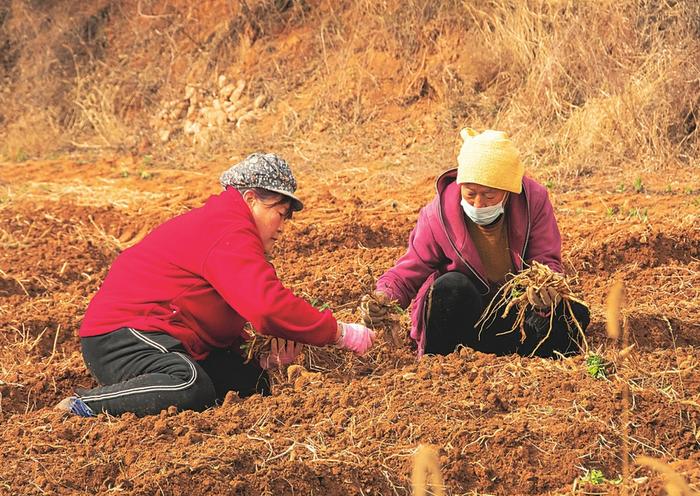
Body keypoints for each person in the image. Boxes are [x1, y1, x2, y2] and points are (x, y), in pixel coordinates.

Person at [57, 153, 374, 417]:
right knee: (188, 384)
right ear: (251, 199)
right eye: (280, 212)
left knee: (251, 384)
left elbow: (225, 315)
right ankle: (84, 407)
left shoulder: (227, 227)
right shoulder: (227, 229)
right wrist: (339, 334)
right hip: (124, 336)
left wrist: (264, 361)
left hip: (169, 336)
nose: (283, 226)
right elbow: (267, 308)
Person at [363, 128, 589, 357]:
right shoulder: (438, 215)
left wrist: (545, 292)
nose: (479, 204)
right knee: (451, 286)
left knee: (573, 314)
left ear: (509, 190)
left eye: (490, 195)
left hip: (512, 313)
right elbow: (409, 271)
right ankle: (442, 363)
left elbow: (546, 259)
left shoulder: (533, 201)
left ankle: (531, 361)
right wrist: (384, 296)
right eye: (470, 194)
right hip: (465, 319)